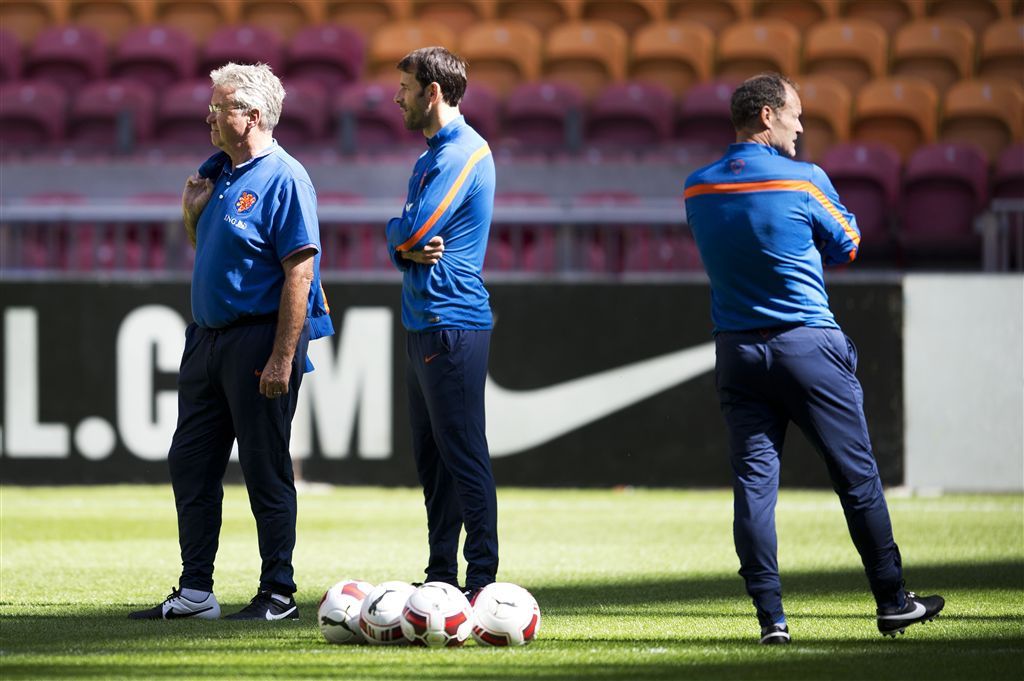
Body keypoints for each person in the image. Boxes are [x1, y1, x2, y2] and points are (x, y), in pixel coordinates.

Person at [683, 73, 944, 644]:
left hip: (737, 351)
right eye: (795, 115)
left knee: (754, 487)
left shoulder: (696, 188)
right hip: (806, 345)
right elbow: (848, 242)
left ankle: (771, 620)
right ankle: (893, 599)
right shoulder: (804, 180)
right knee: (857, 479)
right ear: (767, 115)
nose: (801, 126)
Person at [129, 62, 333, 621]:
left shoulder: (285, 177)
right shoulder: (219, 175)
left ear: (255, 115)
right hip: (205, 341)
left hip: (256, 339)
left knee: (266, 468)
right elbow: (218, 251)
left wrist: (282, 357)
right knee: (191, 464)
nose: (209, 116)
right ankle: (196, 591)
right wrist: (191, 216)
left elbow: (300, 272)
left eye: (220, 107)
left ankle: (279, 593)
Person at [386, 46, 498, 599]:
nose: (397, 97)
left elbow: (414, 231)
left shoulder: (462, 152)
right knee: (433, 459)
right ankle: (441, 576)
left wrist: (399, 239)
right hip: (424, 320)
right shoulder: (431, 155)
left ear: (433, 92)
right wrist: (400, 240)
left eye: (405, 87)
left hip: (452, 321)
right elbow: (404, 238)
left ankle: (480, 580)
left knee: (462, 450)